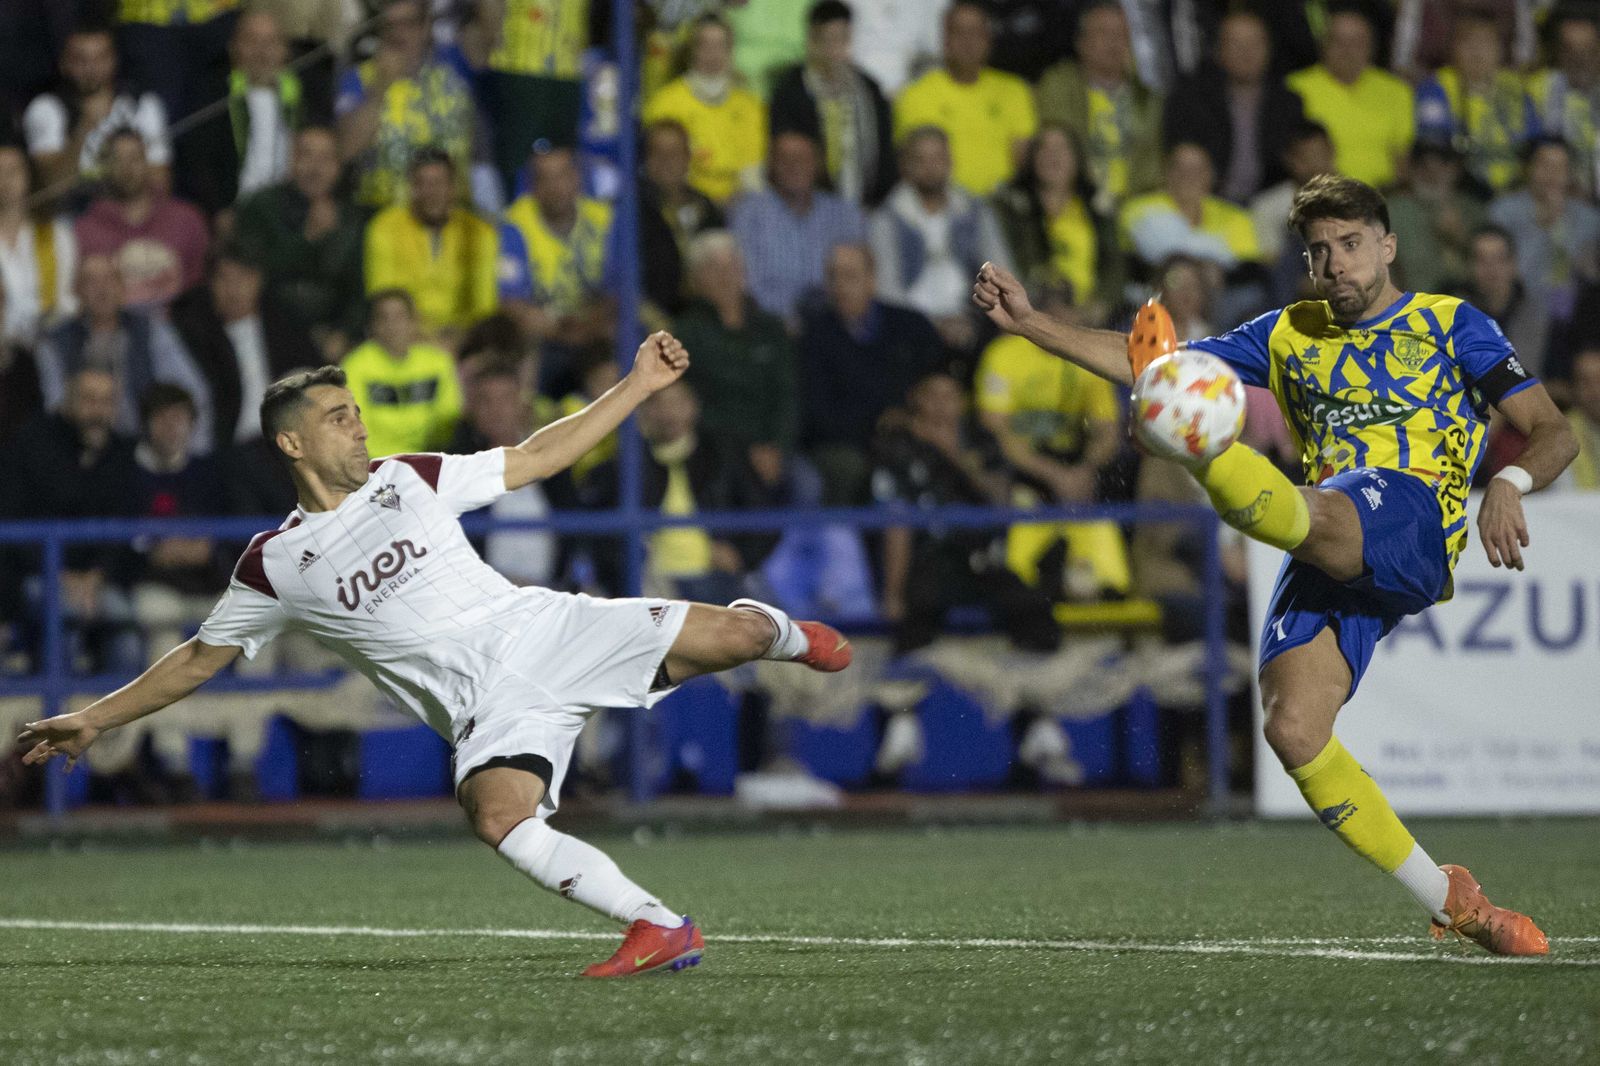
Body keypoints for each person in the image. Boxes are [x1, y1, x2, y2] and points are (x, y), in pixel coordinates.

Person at [19, 332, 855, 979]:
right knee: (498, 816)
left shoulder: (406, 477)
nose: (358, 426)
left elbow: (533, 456)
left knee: (742, 636)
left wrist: (636, 384)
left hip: (547, 627)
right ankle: (661, 927)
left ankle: (791, 636)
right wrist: (92, 718)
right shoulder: (272, 564)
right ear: (292, 446)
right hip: (487, 704)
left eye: (355, 412)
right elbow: (198, 659)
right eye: (338, 418)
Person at [973, 171, 1578, 955]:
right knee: (1293, 729)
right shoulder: (1287, 331)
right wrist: (1034, 327)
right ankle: (1453, 899)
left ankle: (1199, 450)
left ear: (1388, 246)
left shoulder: (1451, 323)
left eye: (1352, 245)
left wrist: (1509, 479)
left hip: (1412, 515)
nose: (1336, 266)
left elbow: (1554, 430)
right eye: (1320, 251)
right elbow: (1150, 364)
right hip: (1326, 531)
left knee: (1302, 496)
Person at [798, 242, 943, 504]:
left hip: (918, 433)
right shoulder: (815, 336)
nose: (840, 286)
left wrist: (920, 418)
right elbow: (817, 415)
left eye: (850, 276)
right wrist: (880, 422)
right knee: (854, 469)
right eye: (833, 277)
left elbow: (939, 377)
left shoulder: (911, 326)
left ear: (872, 280)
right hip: (850, 445)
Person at [35, 254, 213, 448]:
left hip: (144, 447)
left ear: (122, 287)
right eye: (90, 281)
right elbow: (55, 406)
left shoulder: (151, 332)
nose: (102, 289)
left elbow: (191, 393)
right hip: (80, 449)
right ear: (76, 291)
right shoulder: (55, 342)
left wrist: (195, 457)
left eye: (110, 279)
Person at [869, 126, 1013, 362]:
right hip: (911, 329)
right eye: (921, 160)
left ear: (950, 162)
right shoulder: (887, 219)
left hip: (970, 319)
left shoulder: (975, 212)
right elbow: (887, 290)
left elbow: (1000, 270)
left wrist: (972, 317)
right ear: (905, 166)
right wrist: (932, 325)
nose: (931, 168)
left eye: (938, 158)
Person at [233, 124, 367, 361]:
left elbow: (359, 291)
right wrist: (308, 239)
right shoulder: (262, 207)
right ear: (291, 159)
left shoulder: (352, 218)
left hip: (331, 339)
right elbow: (253, 276)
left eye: (325, 159)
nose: (315, 168)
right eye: (306, 155)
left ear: (338, 166)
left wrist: (344, 333)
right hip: (269, 334)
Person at [170, 248, 321, 452]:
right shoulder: (197, 337)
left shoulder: (285, 328)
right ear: (210, 286)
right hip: (230, 447)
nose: (233, 288)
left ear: (258, 280)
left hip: (283, 443)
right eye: (224, 278)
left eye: (242, 277)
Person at [335, 0, 474, 209]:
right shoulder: (359, 79)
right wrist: (381, 87)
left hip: (451, 216)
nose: (398, 34)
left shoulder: (455, 71)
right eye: (390, 25)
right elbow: (345, 150)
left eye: (408, 24)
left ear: (426, 26)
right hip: (383, 214)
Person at [1161, 10, 1307, 205]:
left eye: (1255, 43)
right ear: (1218, 50)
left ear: (1269, 49)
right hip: (1207, 202)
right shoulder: (1191, 98)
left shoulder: (1288, 102)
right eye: (1236, 44)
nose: (1246, 52)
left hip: (1269, 204)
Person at [893, 2, 1037, 197]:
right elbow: (913, 167)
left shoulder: (1014, 91)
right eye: (958, 32)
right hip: (942, 204)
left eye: (976, 32)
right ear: (945, 41)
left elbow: (1023, 162)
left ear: (989, 40)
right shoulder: (915, 95)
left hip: (1004, 204)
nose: (968, 41)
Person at [176, 8, 309, 216]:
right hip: (235, 212)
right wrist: (220, 210)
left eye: (272, 41)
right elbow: (199, 162)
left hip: (289, 214)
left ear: (285, 50)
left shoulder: (303, 96)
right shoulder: (214, 96)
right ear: (233, 47)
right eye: (252, 40)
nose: (262, 51)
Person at [1035, 0, 1163, 211]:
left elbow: (1156, 166)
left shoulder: (1150, 100)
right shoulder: (1058, 85)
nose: (1113, 43)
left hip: (1137, 206)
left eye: (1121, 35)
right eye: (1103, 33)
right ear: (1081, 43)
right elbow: (1053, 146)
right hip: (1075, 203)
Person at [768, 0, 897, 208]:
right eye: (828, 40)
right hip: (808, 208)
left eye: (843, 39)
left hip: (866, 204)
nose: (836, 50)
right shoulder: (790, 92)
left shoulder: (869, 90)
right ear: (812, 41)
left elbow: (885, 153)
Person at [729, 131, 865, 324]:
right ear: (771, 166)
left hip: (837, 324)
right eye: (784, 159)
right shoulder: (748, 214)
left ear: (818, 164)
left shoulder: (845, 214)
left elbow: (860, 279)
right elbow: (746, 284)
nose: (794, 166)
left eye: (802, 158)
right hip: (771, 326)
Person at [364, 147, 498, 342]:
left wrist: (456, 341)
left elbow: (484, 307)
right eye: (422, 184)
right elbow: (385, 300)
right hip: (404, 339)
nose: (431, 192)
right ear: (411, 188)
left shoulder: (480, 233)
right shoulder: (384, 228)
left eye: (438, 183)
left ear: (453, 187)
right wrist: (429, 341)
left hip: (464, 341)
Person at [22, 24, 171, 193]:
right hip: (73, 214)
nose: (92, 69)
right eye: (81, 60)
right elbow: (54, 190)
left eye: (101, 58)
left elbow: (160, 185)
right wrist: (85, 126)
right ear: (64, 64)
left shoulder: (143, 105)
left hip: (126, 210)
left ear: (115, 60)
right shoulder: (46, 108)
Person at [73, 129, 209, 311]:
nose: (126, 168)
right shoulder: (84, 231)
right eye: (117, 160)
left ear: (147, 162)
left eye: (134, 158)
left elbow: (201, 286)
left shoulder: (186, 219)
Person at [497, 144, 614, 354]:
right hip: (545, 336)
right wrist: (562, 331)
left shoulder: (604, 219)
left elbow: (620, 290)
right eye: (545, 179)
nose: (555, 187)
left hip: (596, 328)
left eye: (562, 176)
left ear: (576, 178)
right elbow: (512, 304)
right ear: (533, 187)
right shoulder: (514, 226)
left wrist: (589, 326)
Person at [641, 16, 767, 205]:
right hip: (684, 203)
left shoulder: (752, 106)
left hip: (742, 207)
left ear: (730, 51)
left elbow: (754, 173)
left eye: (720, 46)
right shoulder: (665, 104)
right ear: (692, 51)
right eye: (705, 46)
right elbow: (661, 171)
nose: (713, 55)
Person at [1286, 8, 1414, 190]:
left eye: (1357, 42)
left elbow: (1403, 157)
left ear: (1371, 47)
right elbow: (1294, 156)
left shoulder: (1397, 91)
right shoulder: (1296, 88)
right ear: (1323, 45)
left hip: (1382, 197)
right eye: (1338, 41)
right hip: (1318, 194)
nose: (1347, 50)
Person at [1414, 13, 1538, 196]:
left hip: (1517, 193)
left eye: (1486, 43)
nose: (1477, 51)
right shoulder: (1436, 88)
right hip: (1462, 193)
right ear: (1453, 49)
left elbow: (1536, 147)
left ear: (1500, 50)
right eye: (1468, 43)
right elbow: (1433, 153)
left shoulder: (1516, 89)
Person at [340, 288, 462, 458]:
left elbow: (448, 421)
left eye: (400, 317)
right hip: (376, 464)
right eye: (384, 318)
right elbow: (357, 426)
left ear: (414, 322)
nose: (392, 326)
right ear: (372, 326)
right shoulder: (355, 365)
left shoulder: (438, 362)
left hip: (433, 460)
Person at [638, 119, 724, 322]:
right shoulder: (634, 212)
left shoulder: (708, 210)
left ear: (687, 157)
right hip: (652, 323)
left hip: (704, 322)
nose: (666, 161)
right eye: (658, 154)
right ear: (646, 159)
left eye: (674, 154)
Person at [0, 144, 76, 343]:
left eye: (12, 171)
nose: (4, 181)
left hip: (51, 339)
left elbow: (64, 299)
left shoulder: (56, 234)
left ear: (28, 175)